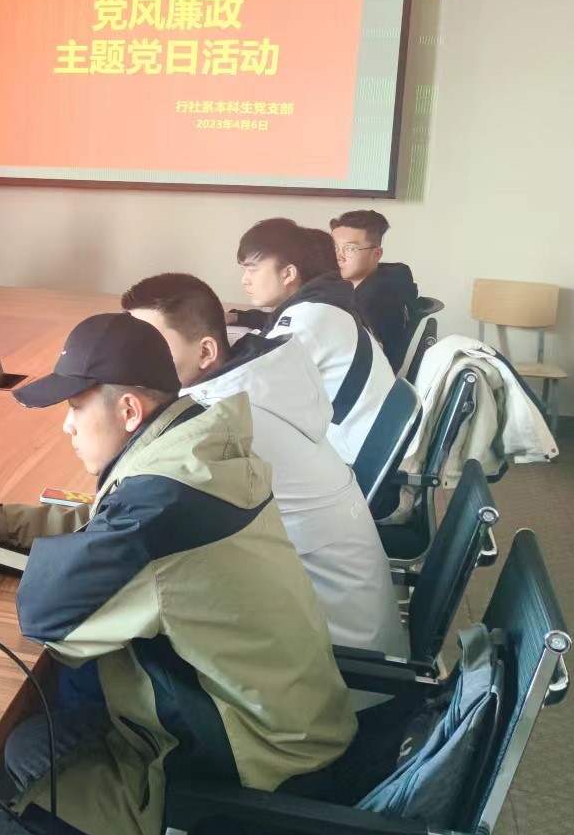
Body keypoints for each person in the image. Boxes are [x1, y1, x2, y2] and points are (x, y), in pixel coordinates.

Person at [0, 314, 355, 835]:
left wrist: (43, 557)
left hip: (244, 784)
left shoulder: (164, 509)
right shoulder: (195, 451)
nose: (67, 426)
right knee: (27, 747)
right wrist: (1, 523)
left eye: (76, 408)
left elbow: (50, 615)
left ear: (128, 410)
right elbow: (113, 528)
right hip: (270, 728)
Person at [122, 272, 406, 657]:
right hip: (354, 624)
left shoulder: (222, 426)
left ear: (205, 353)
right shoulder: (261, 382)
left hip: (334, 660)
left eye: (151, 349)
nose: (130, 365)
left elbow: (139, 539)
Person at [235, 217, 396, 465]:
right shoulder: (321, 305)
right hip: (360, 438)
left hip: (355, 456)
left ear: (288, 273)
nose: (244, 279)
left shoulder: (310, 317)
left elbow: (252, 391)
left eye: (252, 269)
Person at [332, 208, 421, 366]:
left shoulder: (376, 299)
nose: (339, 256)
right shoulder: (357, 288)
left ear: (376, 254)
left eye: (350, 249)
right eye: (334, 247)